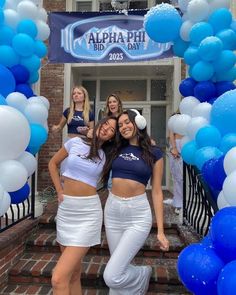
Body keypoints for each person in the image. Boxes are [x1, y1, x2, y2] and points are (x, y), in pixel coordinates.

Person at [102, 109, 170, 294]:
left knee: (112, 276)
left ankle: (142, 273)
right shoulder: (115, 148)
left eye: (127, 122)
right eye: (121, 124)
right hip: (113, 211)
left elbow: (156, 192)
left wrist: (161, 232)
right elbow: (96, 139)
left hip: (137, 214)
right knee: (120, 269)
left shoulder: (154, 153)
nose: (123, 127)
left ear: (138, 123)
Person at [48, 116, 117, 295]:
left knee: (58, 278)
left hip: (88, 213)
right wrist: (58, 190)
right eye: (106, 124)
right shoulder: (75, 142)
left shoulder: (107, 155)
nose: (107, 129)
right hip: (66, 210)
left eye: (112, 129)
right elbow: (53, 163)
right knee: (73, 274)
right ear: (99, 124)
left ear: (112, 137)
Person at [164, 115, 183, 215]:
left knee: (186, 177)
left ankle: (185, 201)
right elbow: (171, 134)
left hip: (187, 145)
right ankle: (179, 203)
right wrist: (174, 148)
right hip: (176, 144)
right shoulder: (175, 117)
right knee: (177, 177)